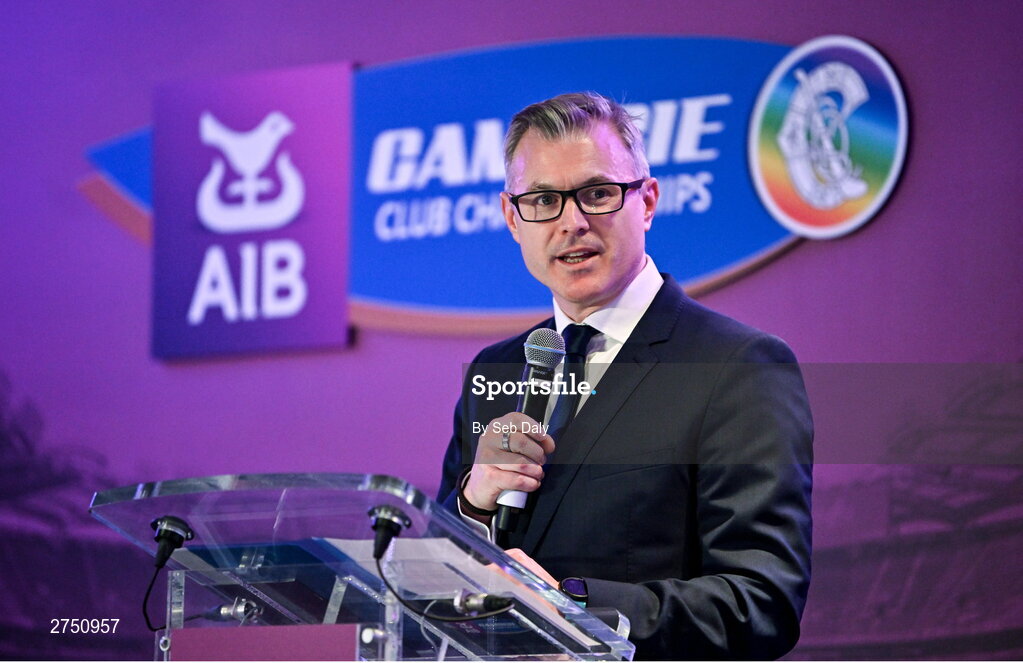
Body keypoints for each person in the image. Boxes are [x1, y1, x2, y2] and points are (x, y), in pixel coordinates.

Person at [438, 92, 813, 660]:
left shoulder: (736, 367)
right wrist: (475, 503)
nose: (572, 221)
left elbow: (760, 602)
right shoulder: (496, 370)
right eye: (543, 199)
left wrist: (570, 608)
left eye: (596, 193)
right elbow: (433, 579)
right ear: (513, 219)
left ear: (648, 201)